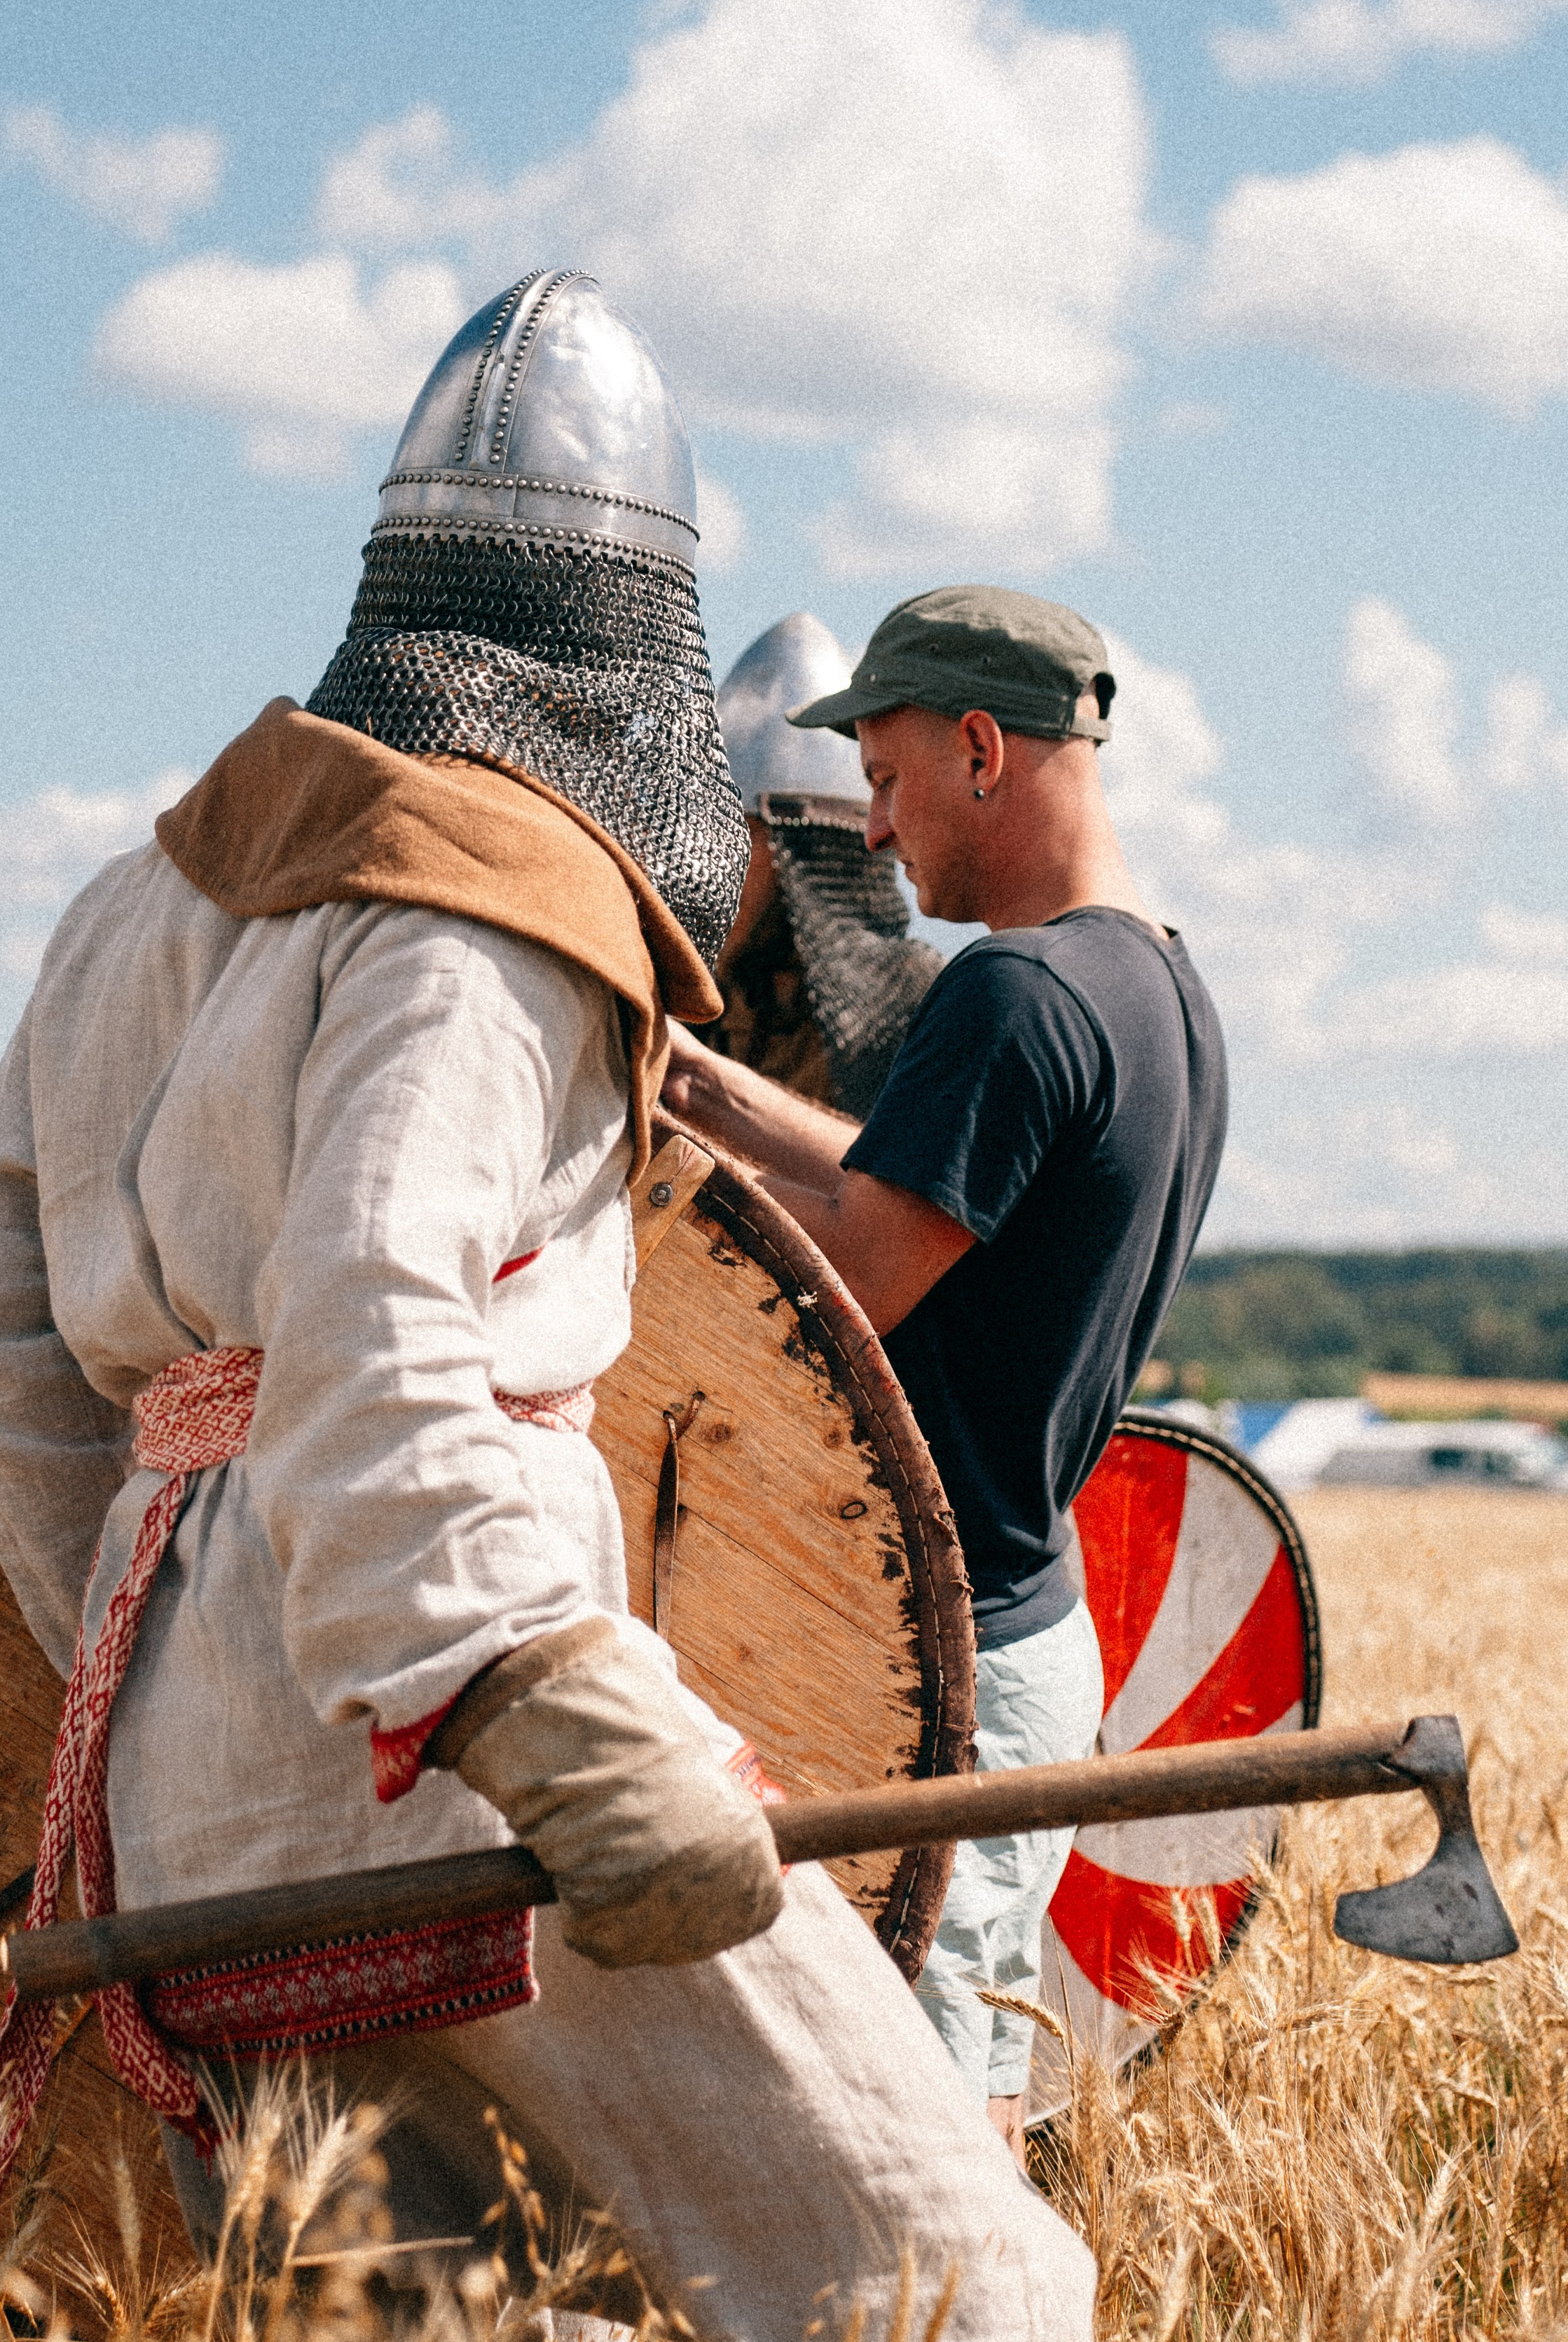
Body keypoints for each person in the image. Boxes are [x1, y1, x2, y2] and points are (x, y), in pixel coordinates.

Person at [0, 288, 1094, 2342]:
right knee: (950, 2273)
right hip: (455, 1743)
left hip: (183, 1773)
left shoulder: (138, 898)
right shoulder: (491, 896)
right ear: (627, 635)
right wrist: (552, 1714)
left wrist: (149, 1631)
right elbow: (375, 1324)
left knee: (431, 2315)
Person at [664, 583, 1228, 2163]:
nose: (877, 823)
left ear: (981, 748)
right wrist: (705, 1083)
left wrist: (640, 1167)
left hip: (933, 1665)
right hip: (1034, 1635)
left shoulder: (1008, 994)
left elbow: (837, 1281)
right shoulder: (1156, 988)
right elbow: (926, 1196)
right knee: (956, 2115)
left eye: (893, 774)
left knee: (902, 2172)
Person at [704, 612, 941, 1115]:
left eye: (736, 838)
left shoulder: (913, 1008)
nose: (710, 865)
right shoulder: (694, 994)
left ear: (809, 853)